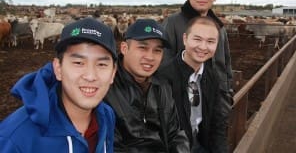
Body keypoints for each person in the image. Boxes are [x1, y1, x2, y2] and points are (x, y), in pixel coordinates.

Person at [0, 18, 117, 153]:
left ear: (113, 73)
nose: (90, 76)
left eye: (102, 64)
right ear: (58, 69)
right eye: (78, 63)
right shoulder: (14, 139)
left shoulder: (106, 116)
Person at [104, 19, 190, 153]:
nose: (150, 57)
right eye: (142, 48)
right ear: (124, 48)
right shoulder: (105, 87)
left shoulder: (162, 86)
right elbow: (111, 146)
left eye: (157, 50)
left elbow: (176, 135)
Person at [162, 0, 234, 127]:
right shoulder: (172, 23)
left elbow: (225, 64)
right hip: (182, 110)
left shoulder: (218, 27)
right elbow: (163, 67)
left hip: (215, 106)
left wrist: (227, 96)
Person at [158, 16, 228, 152]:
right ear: (185, 39)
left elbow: (217, 122)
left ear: (217, 44)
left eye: (210, 41)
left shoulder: (212, 77)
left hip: (200, 143)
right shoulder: (163, 77)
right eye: (197, 39)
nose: (203, 47)